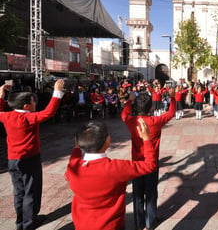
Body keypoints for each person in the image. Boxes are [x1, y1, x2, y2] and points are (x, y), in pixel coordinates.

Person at [65, 119, 156, 230]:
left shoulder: (73, 167)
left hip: (82, 225)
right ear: (107, 141)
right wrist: (146, 139)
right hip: (111, 225)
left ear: (78, 141)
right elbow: (150, 165)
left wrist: (76, 149)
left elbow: (70, 167)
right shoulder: (116, 168)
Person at [0, 79, 65, 230]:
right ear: (26, 106)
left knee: (19, 192)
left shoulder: (7, 117)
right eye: (33, 101)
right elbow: (49, 113)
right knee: (31, 191)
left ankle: (21, 222)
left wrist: (1, 96)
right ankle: (29, 223)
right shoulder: (28, 118)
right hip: (29, 159)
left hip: (12, 160)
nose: (35, 104)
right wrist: (57, 92)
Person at [121, 88, 176, 230]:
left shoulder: (132, 121)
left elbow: (124, 114)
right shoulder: (155, 121)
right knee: (151, 192)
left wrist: (129, 100)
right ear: (151, 108)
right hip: (151, 162)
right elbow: (171, 113)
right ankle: (151, 221)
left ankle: (139, 223)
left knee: (137, 194)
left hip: (136, 163)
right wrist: (173, 98)